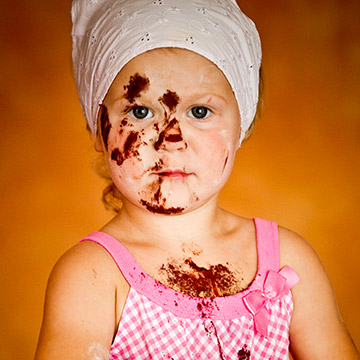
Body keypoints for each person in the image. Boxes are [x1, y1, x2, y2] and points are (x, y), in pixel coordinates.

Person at [35, 1, 359, 359]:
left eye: (200, 111)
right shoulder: (92, 275)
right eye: (141, 111)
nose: (171, 138)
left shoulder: (287, 261)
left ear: (242, 125)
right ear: (99, 128)